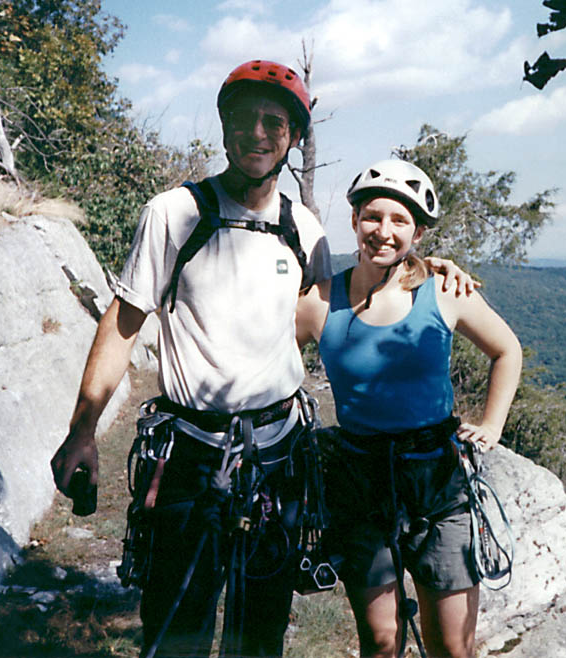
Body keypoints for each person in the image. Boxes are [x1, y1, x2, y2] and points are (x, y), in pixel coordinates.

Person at [50, 62, 473, 658]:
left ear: (293, 138)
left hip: (279, 458)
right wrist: (83, 431)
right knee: (177, 627)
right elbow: (123, 323)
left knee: (261, 631)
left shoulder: (303, 228)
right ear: (223, 128)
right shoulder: (174, 214)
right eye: (243, 118)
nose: (258, 133)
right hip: (192, 451)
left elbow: (352, 300)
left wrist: (431, 273)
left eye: (274, 122)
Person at [296, 159, 523, 658]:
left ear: (417, 231)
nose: (383, 231)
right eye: (372, 217)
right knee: (379, 642)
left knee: (451, 648)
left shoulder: (443, 290)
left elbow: (507, 350)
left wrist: (492, 424)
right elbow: (269, 360)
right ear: (354, 220)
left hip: (436, 483)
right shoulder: (318, 301)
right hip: (359, 481)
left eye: (399, 221)